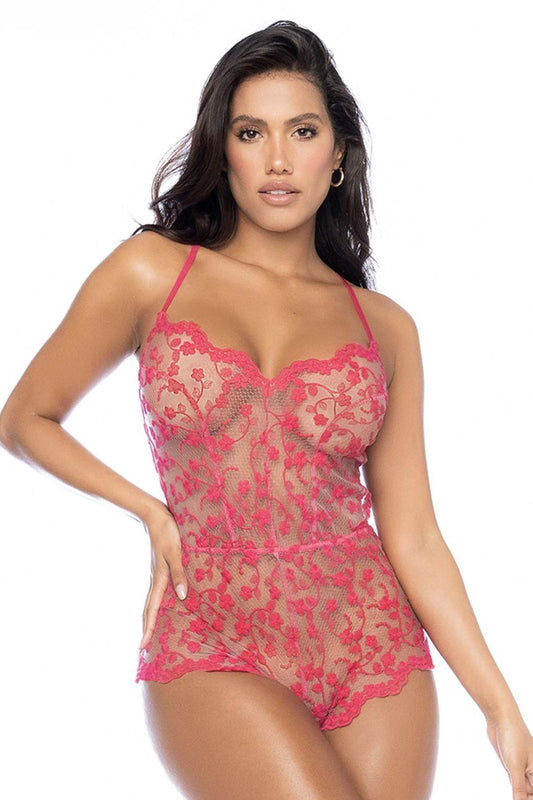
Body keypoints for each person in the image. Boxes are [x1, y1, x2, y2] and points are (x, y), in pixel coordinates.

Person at [0, 18, 531, 800]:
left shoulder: (383, 327)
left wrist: (498, 706)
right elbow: (25, 418)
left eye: (302, 131)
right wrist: (150, 513)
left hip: (370, 643)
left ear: (338, 155)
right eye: (251, 133)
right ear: (224, 151)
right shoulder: (152, 272)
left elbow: (414, 533)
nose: (278, 160)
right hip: (210, 631)